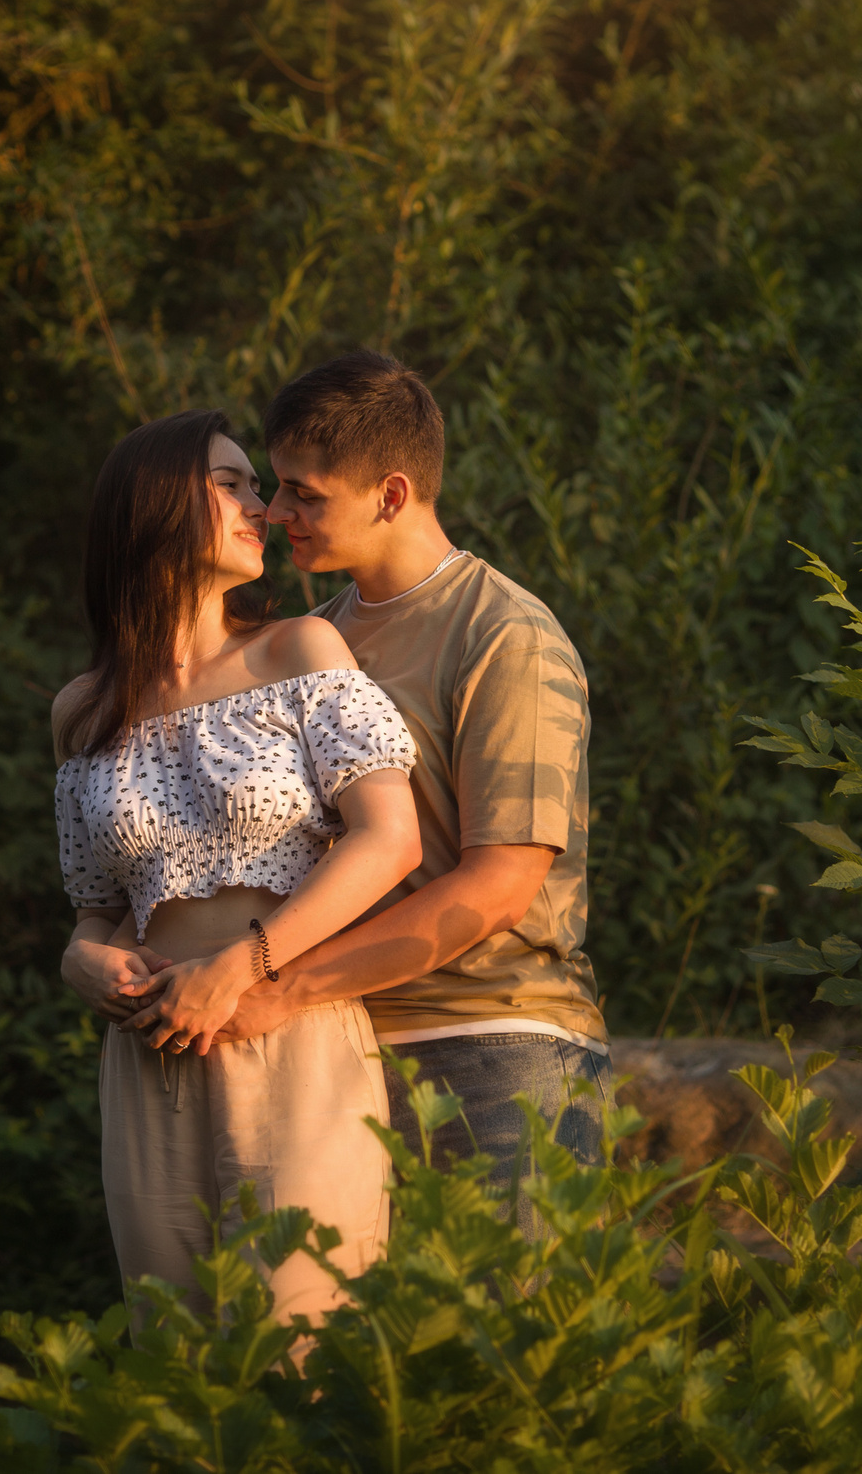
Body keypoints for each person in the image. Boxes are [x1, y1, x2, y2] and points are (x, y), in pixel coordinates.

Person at [126, 351, 609, 1216]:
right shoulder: (306, 642)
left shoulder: (505, 635)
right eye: (275, 487)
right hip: (335, 1049)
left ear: (391, 494)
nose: (277, 513)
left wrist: (278, 986)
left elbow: (500, 884)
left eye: (304, 493)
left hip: (492, 1046)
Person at [53, 409, 423, 1324]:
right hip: (150, 1056)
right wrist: (79, 959)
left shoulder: (297, 650)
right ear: (154, 503)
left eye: (257, 486)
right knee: (172, 1356)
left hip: (290, 1033)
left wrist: (243, 964)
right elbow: (96, 908)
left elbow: (390, 839)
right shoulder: (82, 709)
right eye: (232, 484)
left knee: (303, 1340)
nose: (263, 506)